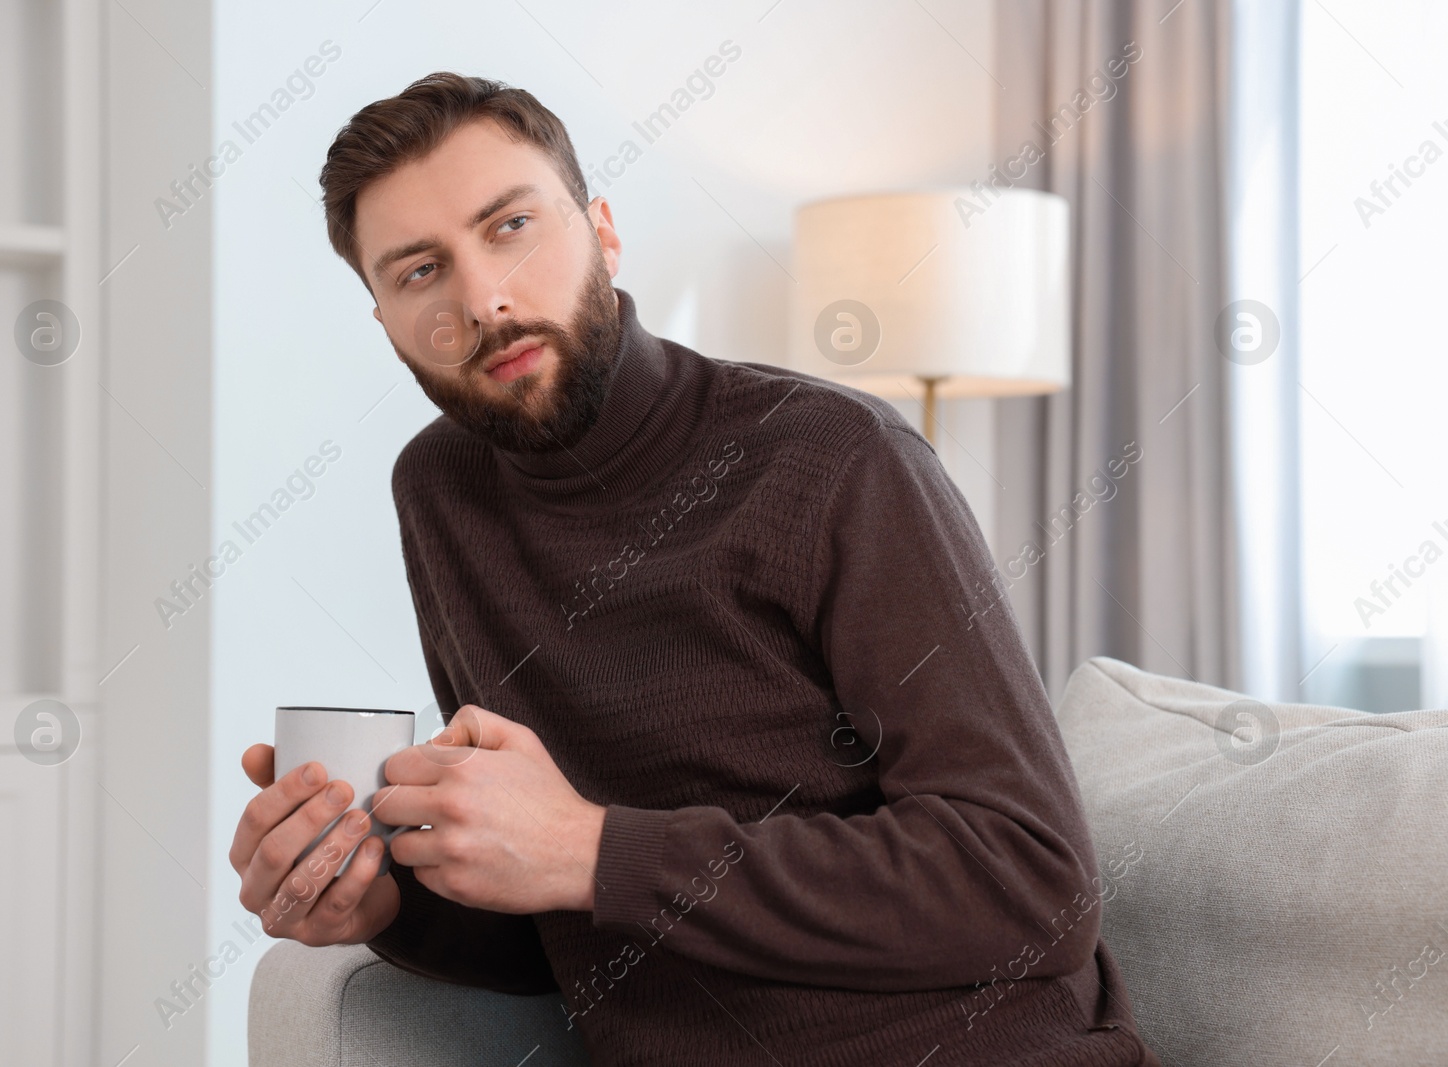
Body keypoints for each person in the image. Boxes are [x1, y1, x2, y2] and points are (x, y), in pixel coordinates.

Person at [229, 71, 1160, 1066]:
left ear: (602, 230)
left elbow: (1029, 883)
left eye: (510, 226)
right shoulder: (442, 492)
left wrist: (591, 845)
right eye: (420, 271)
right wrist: (383, 898)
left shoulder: (834, 457)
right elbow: (572, 919)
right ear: (382, 318)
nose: (483, 300)